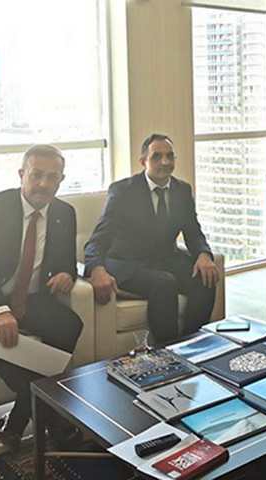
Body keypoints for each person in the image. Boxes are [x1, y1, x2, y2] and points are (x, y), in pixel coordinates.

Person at [0, 145, 83, 449]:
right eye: (36, 175)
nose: (43, 183)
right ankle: (52, 416)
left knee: (70, 324)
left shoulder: (64, 213)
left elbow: (68, 263)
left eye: (52, 177)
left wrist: (67, 275)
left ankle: (19, 418)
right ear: (21, 174)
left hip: (30, 297)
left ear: (61, 180)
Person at [84, 133, 219, 343]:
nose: (165, 162)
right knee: (164, 283)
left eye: (170, 156)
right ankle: (167, 351)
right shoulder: (123, 191)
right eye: (157, 156)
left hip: (164, 259)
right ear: (143, 161)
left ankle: (193, 345)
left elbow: (193, 232)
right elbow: (99, 238)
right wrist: (96, 269)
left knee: (205, 276)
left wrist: (203, 254)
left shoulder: (182, 190)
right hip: (125, 262)